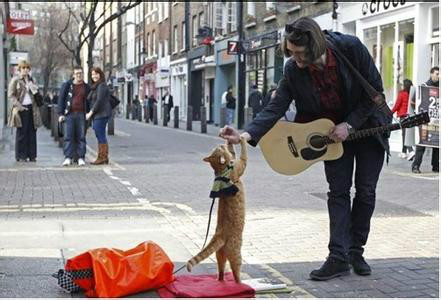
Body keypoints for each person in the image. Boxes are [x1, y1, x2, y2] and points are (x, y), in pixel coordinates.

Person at [219, 17, 392, 281]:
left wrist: (350, 124)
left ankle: (356, 251)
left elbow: (376, 94)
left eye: (300, 53)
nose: (296, 59)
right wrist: (244, 135)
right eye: (291, 52)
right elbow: (275, 108)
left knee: (366, 191)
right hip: (330, 137)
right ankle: (338, 257)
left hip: (368, 127)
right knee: (338, 193)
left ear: (316, 44)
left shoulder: (351, 48)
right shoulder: (293, 70)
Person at [7, 60, 43, 162]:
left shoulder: (32, 80)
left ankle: (32, 155)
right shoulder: (15, 80)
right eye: (23, 68)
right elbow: (11, 95)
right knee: (22, 133)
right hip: (21, 109)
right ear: (19, 69)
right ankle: (21, 156)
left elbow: (37, 94)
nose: (25, 70)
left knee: (32, 132)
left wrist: (33, 88)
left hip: (32, 109)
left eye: (27, 68)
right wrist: (19, 106)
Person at [58, 66, 91, 166]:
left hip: (81, 114)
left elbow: (89, 101)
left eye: (80, 73)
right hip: (69, 114)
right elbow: (61, 100)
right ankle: (68, 157)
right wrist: (61, 114)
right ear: (73, 75)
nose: (79, 75)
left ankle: (81, 157)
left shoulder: (86, 87)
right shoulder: (67, 85)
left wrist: (89, 113)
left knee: (81, 137)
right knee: (68, 136)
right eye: (77, 73)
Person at [411, 66, 439, 173]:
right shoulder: (423, 87)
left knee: (436, 144)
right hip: (424, 121)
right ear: (431, 74)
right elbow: (413, 102)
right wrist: (418, 113)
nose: (438, 76)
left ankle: (435, 166)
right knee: (422, 143)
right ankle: (416, 166)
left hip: (436, 121)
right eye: (437, 74)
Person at [86, 67, 112, 165]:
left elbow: (99, 101)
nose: (94, 76)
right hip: (98, 114)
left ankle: (102, 157)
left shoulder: (102, 86)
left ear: (100, 74)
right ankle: (103, 156)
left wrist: (90, 113)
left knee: (100, 134)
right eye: (92, 74)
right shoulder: (95, 86)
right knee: (99, 134)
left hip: (101, 114)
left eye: (96, 74)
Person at [391, 79, 413, 159]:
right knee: (405, 134)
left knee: (405, 135)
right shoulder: (412, 94)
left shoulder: (402, 94)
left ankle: (411, 151)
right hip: (410, 116)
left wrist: (390, 113)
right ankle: (403, 152)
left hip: (403, 116)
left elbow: (397, 105)